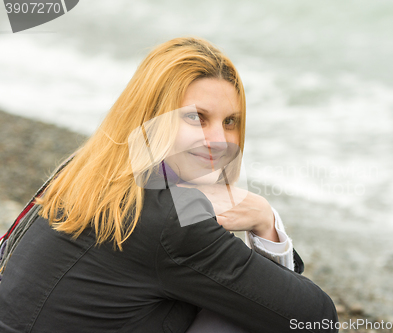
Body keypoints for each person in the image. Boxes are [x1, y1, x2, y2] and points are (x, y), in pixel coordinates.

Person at [0, 37, 338, 332]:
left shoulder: (86, 169)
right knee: (239, 313)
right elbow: (315, 318)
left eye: (230, 121)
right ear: (151, 116)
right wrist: (266, 221)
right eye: (196, 117)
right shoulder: (171, 219)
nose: (219, 140)